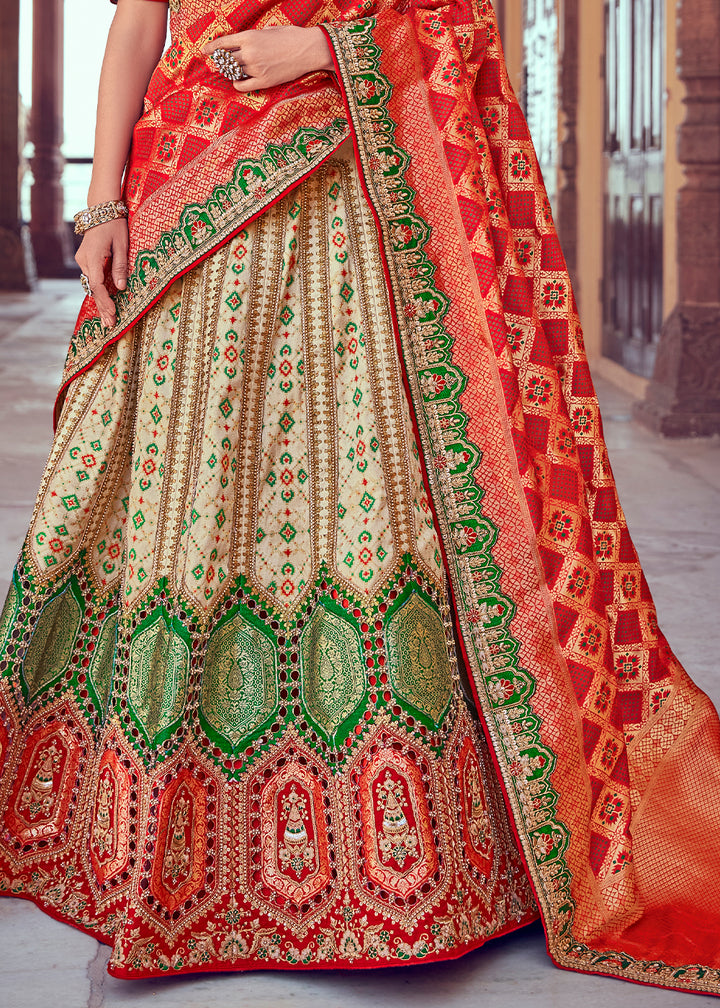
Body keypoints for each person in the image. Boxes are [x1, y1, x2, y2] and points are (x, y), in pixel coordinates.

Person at [0, 0, 718, 994]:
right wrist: (105, 206)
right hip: (193, 183)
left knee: (380, 503)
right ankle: (132, 818)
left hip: (357, 183)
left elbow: (459, 25)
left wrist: (324, 47)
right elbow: (135, 20)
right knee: (179, 499)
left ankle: (408, 852)